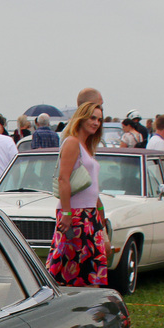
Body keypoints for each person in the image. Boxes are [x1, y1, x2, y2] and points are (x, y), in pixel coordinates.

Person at [45, 101, 108, 288]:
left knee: (91, 269)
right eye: (92, 118)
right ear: (81, 118)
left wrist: (100, 211)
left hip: (90, 215)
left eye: (99, 120)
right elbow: (63, 179)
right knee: (68, 269)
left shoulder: (87, 146)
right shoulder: (72, 142)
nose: (96, 123)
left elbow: (91, 185)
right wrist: (66, 213)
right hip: (75, 215)